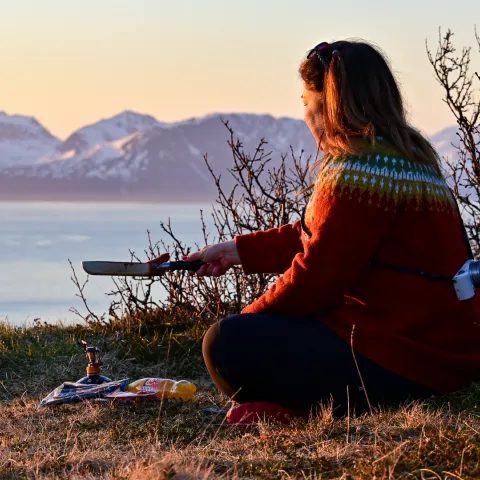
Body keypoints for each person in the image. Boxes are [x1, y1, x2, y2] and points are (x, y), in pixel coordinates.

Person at [156, 40, 480, 424]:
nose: (306, 116)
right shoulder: (411, 161)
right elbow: (324, 237)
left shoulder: (359, 170)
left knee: (225, 343)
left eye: (306, 103)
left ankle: (311, 410)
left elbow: (318, 276)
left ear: (329, 106)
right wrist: (236, 251)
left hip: (401, 359)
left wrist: (251, 316)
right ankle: (302, 405)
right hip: (440, 352)